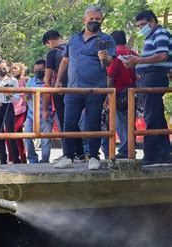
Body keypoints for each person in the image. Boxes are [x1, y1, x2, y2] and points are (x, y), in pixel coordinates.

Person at [54, 5, 116, 170]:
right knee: (69, 122)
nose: (94, 21)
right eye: (91, 19)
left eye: (98, 19)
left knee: (93, 123)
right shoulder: (73, 39)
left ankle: (94, 157)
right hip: (73, 88)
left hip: (95, 89)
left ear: (102, 20)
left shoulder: (106, 39)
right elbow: (65, 60)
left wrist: (105, 57)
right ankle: (68, 155)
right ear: (84, 20)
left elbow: (110, 60)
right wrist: (58, 80)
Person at [124, 10, 171, 165]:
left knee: (151, 116)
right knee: (155, 115)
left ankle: (151, 155)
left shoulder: (160, 33)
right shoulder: (151, 36)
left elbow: (162, 55)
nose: (140, 28)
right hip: (147, 78)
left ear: (152, 21)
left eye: (142, 24)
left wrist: (138, 61)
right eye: (138, 26)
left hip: (153, 77)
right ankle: (163, 154)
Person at [42, 30, 87, 162]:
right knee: (74, 121)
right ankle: (80, 153)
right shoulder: (74, 48)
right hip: (78, 89)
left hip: (60, 91)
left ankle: (68, 154)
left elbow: (47, 78)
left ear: (50, 42)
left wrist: (50, 85)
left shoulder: (52, 53)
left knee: (64, 122)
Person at [101, 30, 137, 159]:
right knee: (130, 121)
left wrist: (107, 95)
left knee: (120, 122)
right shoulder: (132, 53)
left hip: (118, 92)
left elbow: (110, 77)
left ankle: (124, 150)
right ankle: (131, 148)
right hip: (132, 91)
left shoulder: (115, 55)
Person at [0, 60, 21, 164]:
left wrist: (9, 94)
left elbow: (17, 97)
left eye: (4, 68)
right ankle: (2, 160)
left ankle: (16, 159)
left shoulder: (13, 80)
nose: (2, 70)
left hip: (8, 107)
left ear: (8, 68)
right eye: (0, 68)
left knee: (11, 133)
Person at [24, 60, 53, 163]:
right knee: (26, 136)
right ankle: (32, 160)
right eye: (36, 70)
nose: (38, 71)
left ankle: (45, 161)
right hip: (31, 115)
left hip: (47, 115)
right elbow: (25, 97)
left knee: (46, 141)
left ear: (46, 69)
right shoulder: (30, 82)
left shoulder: (51, 81)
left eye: (41, 69)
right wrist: (26, 97)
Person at [10, 62, 28, 163]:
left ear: (21, 69)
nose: (13, 70)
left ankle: (18, 158)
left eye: (15, 68)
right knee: (13, 134)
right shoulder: (11, 81)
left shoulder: (26, 80)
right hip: (11, 110)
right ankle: (14, 158)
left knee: (14, 132)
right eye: (12, 69)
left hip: (22, 110)